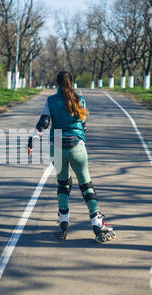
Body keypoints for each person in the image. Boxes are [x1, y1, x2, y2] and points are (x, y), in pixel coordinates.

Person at [27, 71, 115, 243]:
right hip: (77, 146)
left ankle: (63, 219)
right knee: (85, 183)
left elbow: (44, 122)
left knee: (62, 183)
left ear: (56, 83)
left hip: (57, 145)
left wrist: (32, 139)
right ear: (72, 82)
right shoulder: (80, 99)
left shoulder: (50, 100)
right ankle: (97, 221)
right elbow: (83, 125)